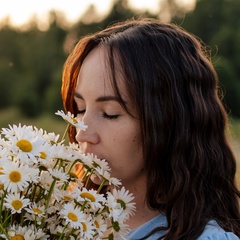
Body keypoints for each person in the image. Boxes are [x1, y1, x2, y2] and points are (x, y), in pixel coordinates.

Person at [61, 18, 240, 239]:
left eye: (110, 113)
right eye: (79, 109)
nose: (82, 133)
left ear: (168, 121)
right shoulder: (61, 220)